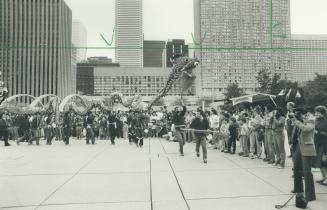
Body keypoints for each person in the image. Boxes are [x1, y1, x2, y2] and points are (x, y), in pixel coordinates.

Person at [291, 107, 316, 203]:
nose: (296, 115)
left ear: (302, 113)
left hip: (307, 147)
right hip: (298, 146)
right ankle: (298, 191)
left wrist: (296, 120)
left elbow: (306, 129)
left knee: (307, 172)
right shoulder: (300, 119)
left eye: (297, 113)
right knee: (296, 169)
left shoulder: (311, 119)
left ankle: (310, 195)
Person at [313, 106, 327, 185]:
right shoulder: (316, 121)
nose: (316, 114)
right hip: (317, 143)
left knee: (324, 161)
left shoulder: (325, 122)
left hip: (324, 144)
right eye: (316, 112)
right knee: (319, 162)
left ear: (323, 113)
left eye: (318, 112)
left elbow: (326, 133)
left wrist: (317, 132)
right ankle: (323, 177)